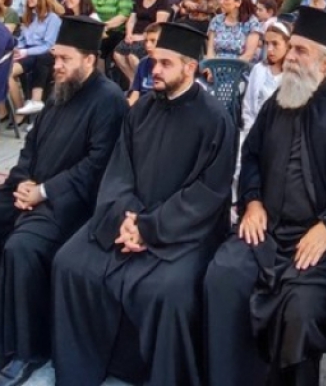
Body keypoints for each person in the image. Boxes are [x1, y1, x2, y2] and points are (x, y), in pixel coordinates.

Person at [0, 16, 127, 386]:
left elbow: (96, 167)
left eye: (64, 59)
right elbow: (32, 145)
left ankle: (25, 351)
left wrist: (44, 192)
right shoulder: (61, 88)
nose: (55, 66)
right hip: (32, 187)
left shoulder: (109, 100)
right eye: (55, 57)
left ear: (89, 61)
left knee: (22, 247)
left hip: (72, 202)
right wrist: (24, 182)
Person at [51, 22, 236, 386]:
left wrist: (149, 228)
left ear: (190, 68)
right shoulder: (141, 109)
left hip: (183, 230)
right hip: (128, 219)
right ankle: (83, 371)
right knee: (69, 263)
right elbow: (119, 171)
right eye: (153, 62)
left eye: (166, 64)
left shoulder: (216, 119)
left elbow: (207, 193)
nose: (155, 71)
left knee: (165, 292)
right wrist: (126, 218)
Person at [204, 7, 326, 386]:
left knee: (300, 309)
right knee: (223, 277)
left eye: (300, 51)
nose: (290, 57)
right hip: (266, 230)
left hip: (317, 240)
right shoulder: (278, 100)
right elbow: (250, 154)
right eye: (291, 49)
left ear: (324, 61)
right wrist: (251, 201)